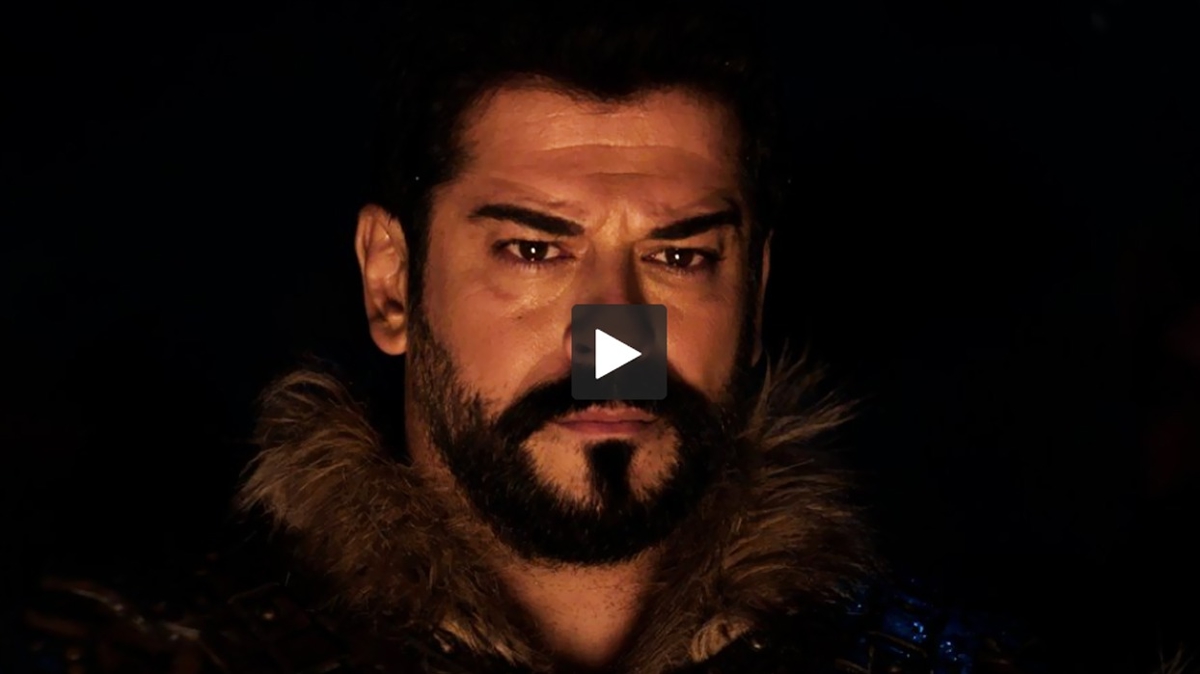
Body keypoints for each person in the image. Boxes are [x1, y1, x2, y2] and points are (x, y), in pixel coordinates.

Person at [8, 2, 1097, 673]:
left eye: (679, 257)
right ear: (390, 285)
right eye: (535, 250)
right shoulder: (151, 658)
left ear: (757, 295)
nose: (614, 342)